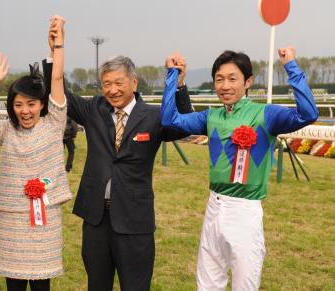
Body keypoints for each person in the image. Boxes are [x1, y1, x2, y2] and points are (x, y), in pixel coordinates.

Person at [44, 32, 193, 291]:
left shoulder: (153, 116)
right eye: (106, 83)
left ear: (134, 82)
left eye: (118, 82)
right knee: (97, 284)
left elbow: (184, 127)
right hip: (96, 218)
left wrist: (178, 85)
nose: (112, 90)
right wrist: (54, 53)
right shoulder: (94, 110)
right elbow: (59, 93)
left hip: (135, 220)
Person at [161, 48, 318, 290]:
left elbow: (308, 113)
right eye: (219, 79)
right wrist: (174, 76)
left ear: (248, 82)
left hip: (245, 211)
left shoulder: (266, 114)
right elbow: (170, 120)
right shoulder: (210, 116)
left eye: (232, 79)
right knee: (207, 284)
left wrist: (291, 66)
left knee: (245, 285)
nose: (225, 86)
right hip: (213, 207)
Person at [0, 16, 71, 291]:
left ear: (42, 105)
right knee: (13, 284)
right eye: (18, 104)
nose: (24, 110)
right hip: (12, 222)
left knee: (42, 285)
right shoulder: (7, 131)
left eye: (31, 104)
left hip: (44, 223)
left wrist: (58, 45)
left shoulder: (54, 124)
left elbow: (58, 78)